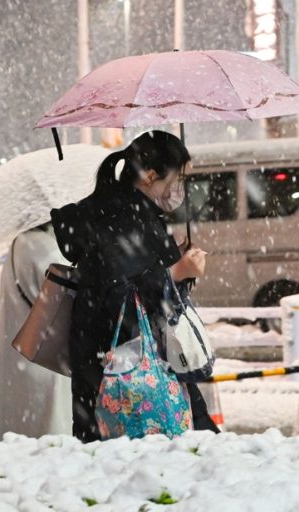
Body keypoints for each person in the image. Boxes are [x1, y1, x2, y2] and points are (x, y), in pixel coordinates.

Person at [50, 130, 217, 442]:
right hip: (130, 366)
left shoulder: (119, 209)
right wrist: (177, 272)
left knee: (104, 449)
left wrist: (170, 264)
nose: (180, 188)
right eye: (178, 178)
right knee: (154, 454)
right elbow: (119, 293)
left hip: (108, 362)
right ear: (151, 176)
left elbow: (124, 276)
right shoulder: (127, 215)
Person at [0, 223, 72, 439]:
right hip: (45, 363)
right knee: (47, 443)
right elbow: (67, 304)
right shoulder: (47, 250)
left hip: (19, 359)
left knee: (18, 442)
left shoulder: (19, 244)